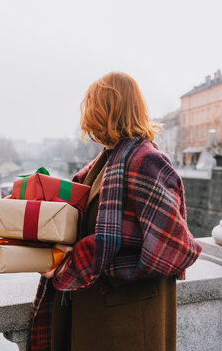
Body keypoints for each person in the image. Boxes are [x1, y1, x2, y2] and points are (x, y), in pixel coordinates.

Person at [27, 72, 202, 351]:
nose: (87, 117)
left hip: (130, 318)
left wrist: (77, 262)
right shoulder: (102, 164)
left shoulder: (147, 162)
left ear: (109, 110)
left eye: (94, 107)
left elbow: (174, 248)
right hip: (100, 310)